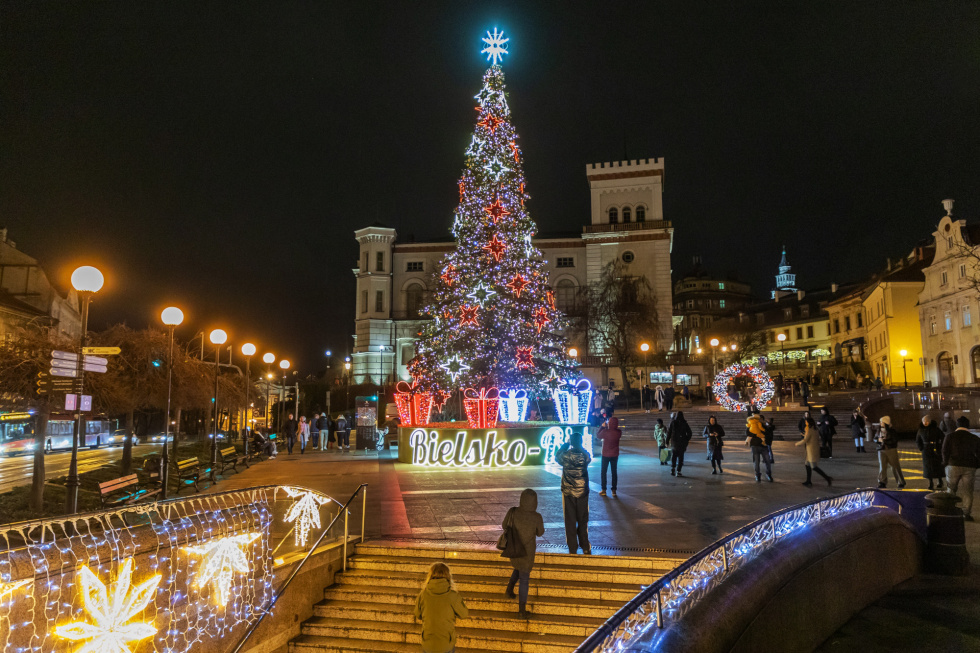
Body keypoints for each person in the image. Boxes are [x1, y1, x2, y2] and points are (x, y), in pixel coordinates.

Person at [502, 489, 544, 618]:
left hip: (514, 548)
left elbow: (504, 525)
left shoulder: (513, 511)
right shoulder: (536, 517)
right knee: (524, 578)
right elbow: (540, 533)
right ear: (535, 502)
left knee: (517, 568)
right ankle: (521, 610)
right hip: (528, 552)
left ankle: (509, 590)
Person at [413, 562, 468, 653]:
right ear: (448, 576)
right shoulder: (453, 596)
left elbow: (418, 614)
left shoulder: (423, 595)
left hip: (428, 644)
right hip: (446, 644)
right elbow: (464, 614)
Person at [555, 431, 591, 555]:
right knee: (582, 519)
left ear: (571, 441)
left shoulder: (565, 456)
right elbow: (588, 458)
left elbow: (557, 456)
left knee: (570, 520)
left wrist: (566, 444)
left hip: (568, 491)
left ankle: (572, 547)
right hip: (582, 491)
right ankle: (585, 545)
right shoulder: (584, 455)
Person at [943, 415, 980, 521]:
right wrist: (977, 465)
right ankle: (966, 514)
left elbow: (945, 451)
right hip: (969, 467)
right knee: (968, 491)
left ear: (957, 425)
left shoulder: (950, 436)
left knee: (951, 489)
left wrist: (945, 463)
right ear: (967, 426)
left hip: (953, 465)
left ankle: (950, 511)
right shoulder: (974, 438)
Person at [797, 416, 832, 487]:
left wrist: (797, 443)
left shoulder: (809, 430)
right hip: (812, 450)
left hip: (811, 451)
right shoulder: (815, 429)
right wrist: (804, 434)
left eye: (806, 422)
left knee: (813, 467)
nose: (805, 423)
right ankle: (808, 481)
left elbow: (806, 440)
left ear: (808, 422)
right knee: (807, 465)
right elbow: (810, 437)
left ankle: (827, 478)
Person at [875, 415, 906, 489]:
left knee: (895, 466)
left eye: (881, 422)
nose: (880, 423)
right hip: (881, 450)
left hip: (891, 450)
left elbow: (894, 440)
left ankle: (900, 482)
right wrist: (877, 440)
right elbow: (875, 438)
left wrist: (885, 441)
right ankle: (882, 482)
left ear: (885, 423)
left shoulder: (892, 431)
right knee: (882, 467)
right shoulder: (879, 430)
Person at [596, 410, 622, 497]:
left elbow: (598, 436)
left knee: (604, 472)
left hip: (605, 454)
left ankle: (603, 489)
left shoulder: (605, 432)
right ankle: (614, 490)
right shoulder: (619, 432)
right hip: (615, 455)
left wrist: (602, 427)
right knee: (614, 472)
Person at [915, 416, 945, 490]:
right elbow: (918, 440)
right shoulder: (921, 430)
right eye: (924, 421)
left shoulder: (936, 429)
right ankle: (930, 482)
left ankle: (939, 480)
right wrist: (921, 447)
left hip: (935, 449)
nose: (925, 423)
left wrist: (939, 446)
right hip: (926, 450)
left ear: (930, 421)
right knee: (928, 467)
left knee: (937, 465)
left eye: (927, 421)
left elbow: (943, 437)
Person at [746, 412, 772, 482]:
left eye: (760, 419)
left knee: (767, 461)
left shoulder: (765, 427)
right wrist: (756, 435)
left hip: (764, 446)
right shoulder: (751, 426)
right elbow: (748, 433)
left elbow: (769, 435)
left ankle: (768, 474)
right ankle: (757, 475)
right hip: (755, 446)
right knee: (756, 462)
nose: (758, 420)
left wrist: (764, 435)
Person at [666, 411, 692, 477]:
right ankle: (678, 470)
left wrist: (667, 442)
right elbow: (690, 433)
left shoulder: (673, 423)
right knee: (680, 457)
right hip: (681, 443)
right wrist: (686, 439)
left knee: (674, 456)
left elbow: (668, 433)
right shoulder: (684, 423)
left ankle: (673, 468)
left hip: (674, 442)